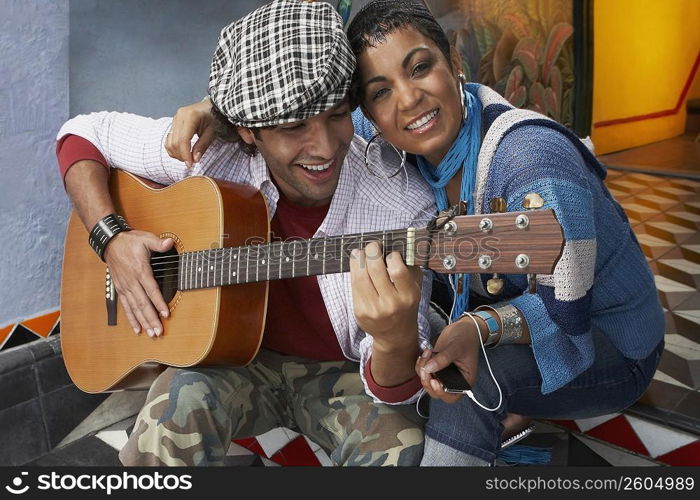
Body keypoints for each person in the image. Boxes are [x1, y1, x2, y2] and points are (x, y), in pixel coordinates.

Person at [168, 0, 665, 467]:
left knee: (459, 386)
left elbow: (567, 310)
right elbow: (294, 111)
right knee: (421, 344)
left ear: (454, 62)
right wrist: (220, 113)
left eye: (420, 67)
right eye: (380, 91)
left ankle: (498, 405)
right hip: (501, 307)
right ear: (366, 110)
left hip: (608, 337)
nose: (407, 100)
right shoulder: (378, 133)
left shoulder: (534, 164)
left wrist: (476, 330)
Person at [55, 0, 439, 466]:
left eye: (337, 115)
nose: (323, 147)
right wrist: (111, 238)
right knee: (169, 415)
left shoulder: (399, 203)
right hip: (234, 365)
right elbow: (81, 135)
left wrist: (394, 338)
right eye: (294, 127)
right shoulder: (209, 156)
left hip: (345, 376)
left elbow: (396, 390)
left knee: (402, 450)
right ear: (248, 131)